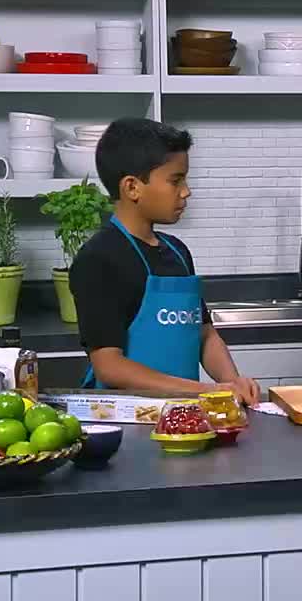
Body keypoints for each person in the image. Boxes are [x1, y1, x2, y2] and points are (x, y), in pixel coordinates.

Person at [70, 117, 260, 404]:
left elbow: (205, 335)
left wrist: (231, 383)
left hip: (183, 415)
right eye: (175, 180)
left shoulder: (178, 252)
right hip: (128, 423)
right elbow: (108, 365)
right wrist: (206, 391)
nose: (186, 191)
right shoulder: (98, 260)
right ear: (132, 187)